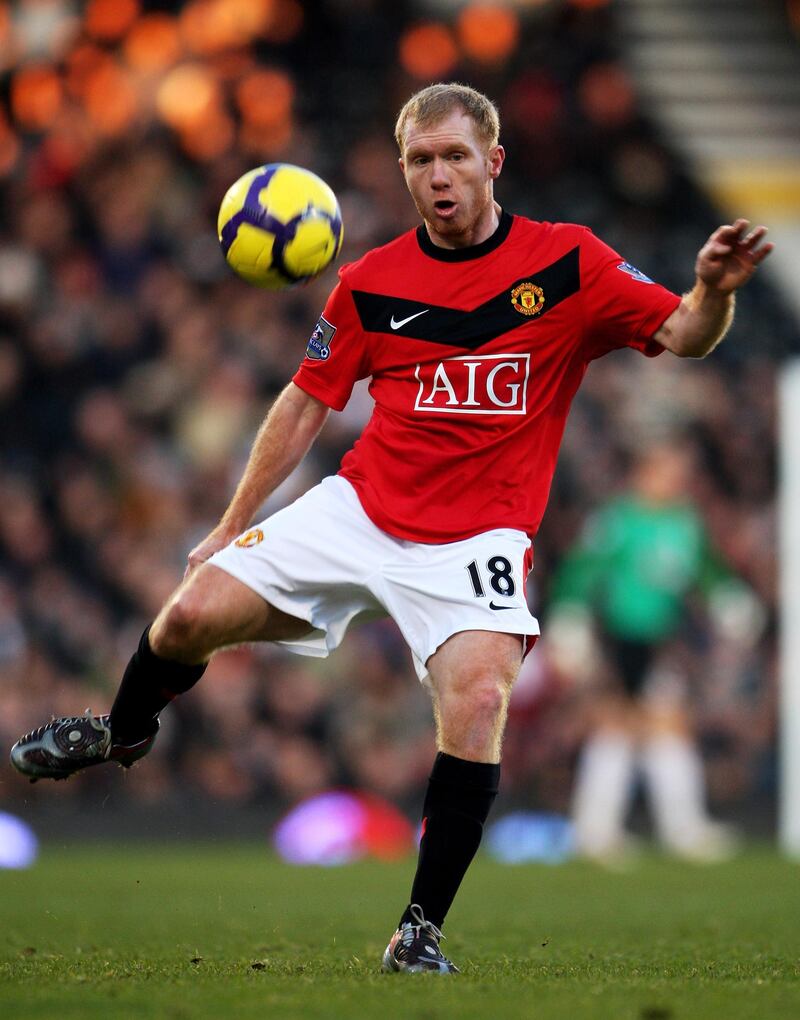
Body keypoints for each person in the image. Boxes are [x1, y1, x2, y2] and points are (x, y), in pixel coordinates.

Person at [10, 83, 772, 974]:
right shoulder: (369, 281)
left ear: (493, 162)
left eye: (454, 157)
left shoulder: (567, 263)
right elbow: (304, 404)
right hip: (361, 510)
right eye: (420, 160)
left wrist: (712, 290)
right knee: (185, 617)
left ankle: (419, 931)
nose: (438, 176)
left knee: (481, 700)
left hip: (479, 539)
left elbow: (685, 333)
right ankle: (121, 731)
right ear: (403, 171)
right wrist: (230, 524)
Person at [549, 441, 763, 864]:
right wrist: (568, 615)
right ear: (644, 472)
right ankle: (610, 829)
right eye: (667, 469)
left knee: (662, 724)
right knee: (621, 724)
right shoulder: (617, 520)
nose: (676, 480)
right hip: (619, 634)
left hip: (661, 636)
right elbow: (582, 570)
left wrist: (728, 599)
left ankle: (658, 827)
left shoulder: (686, 522)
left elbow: (707, 567)